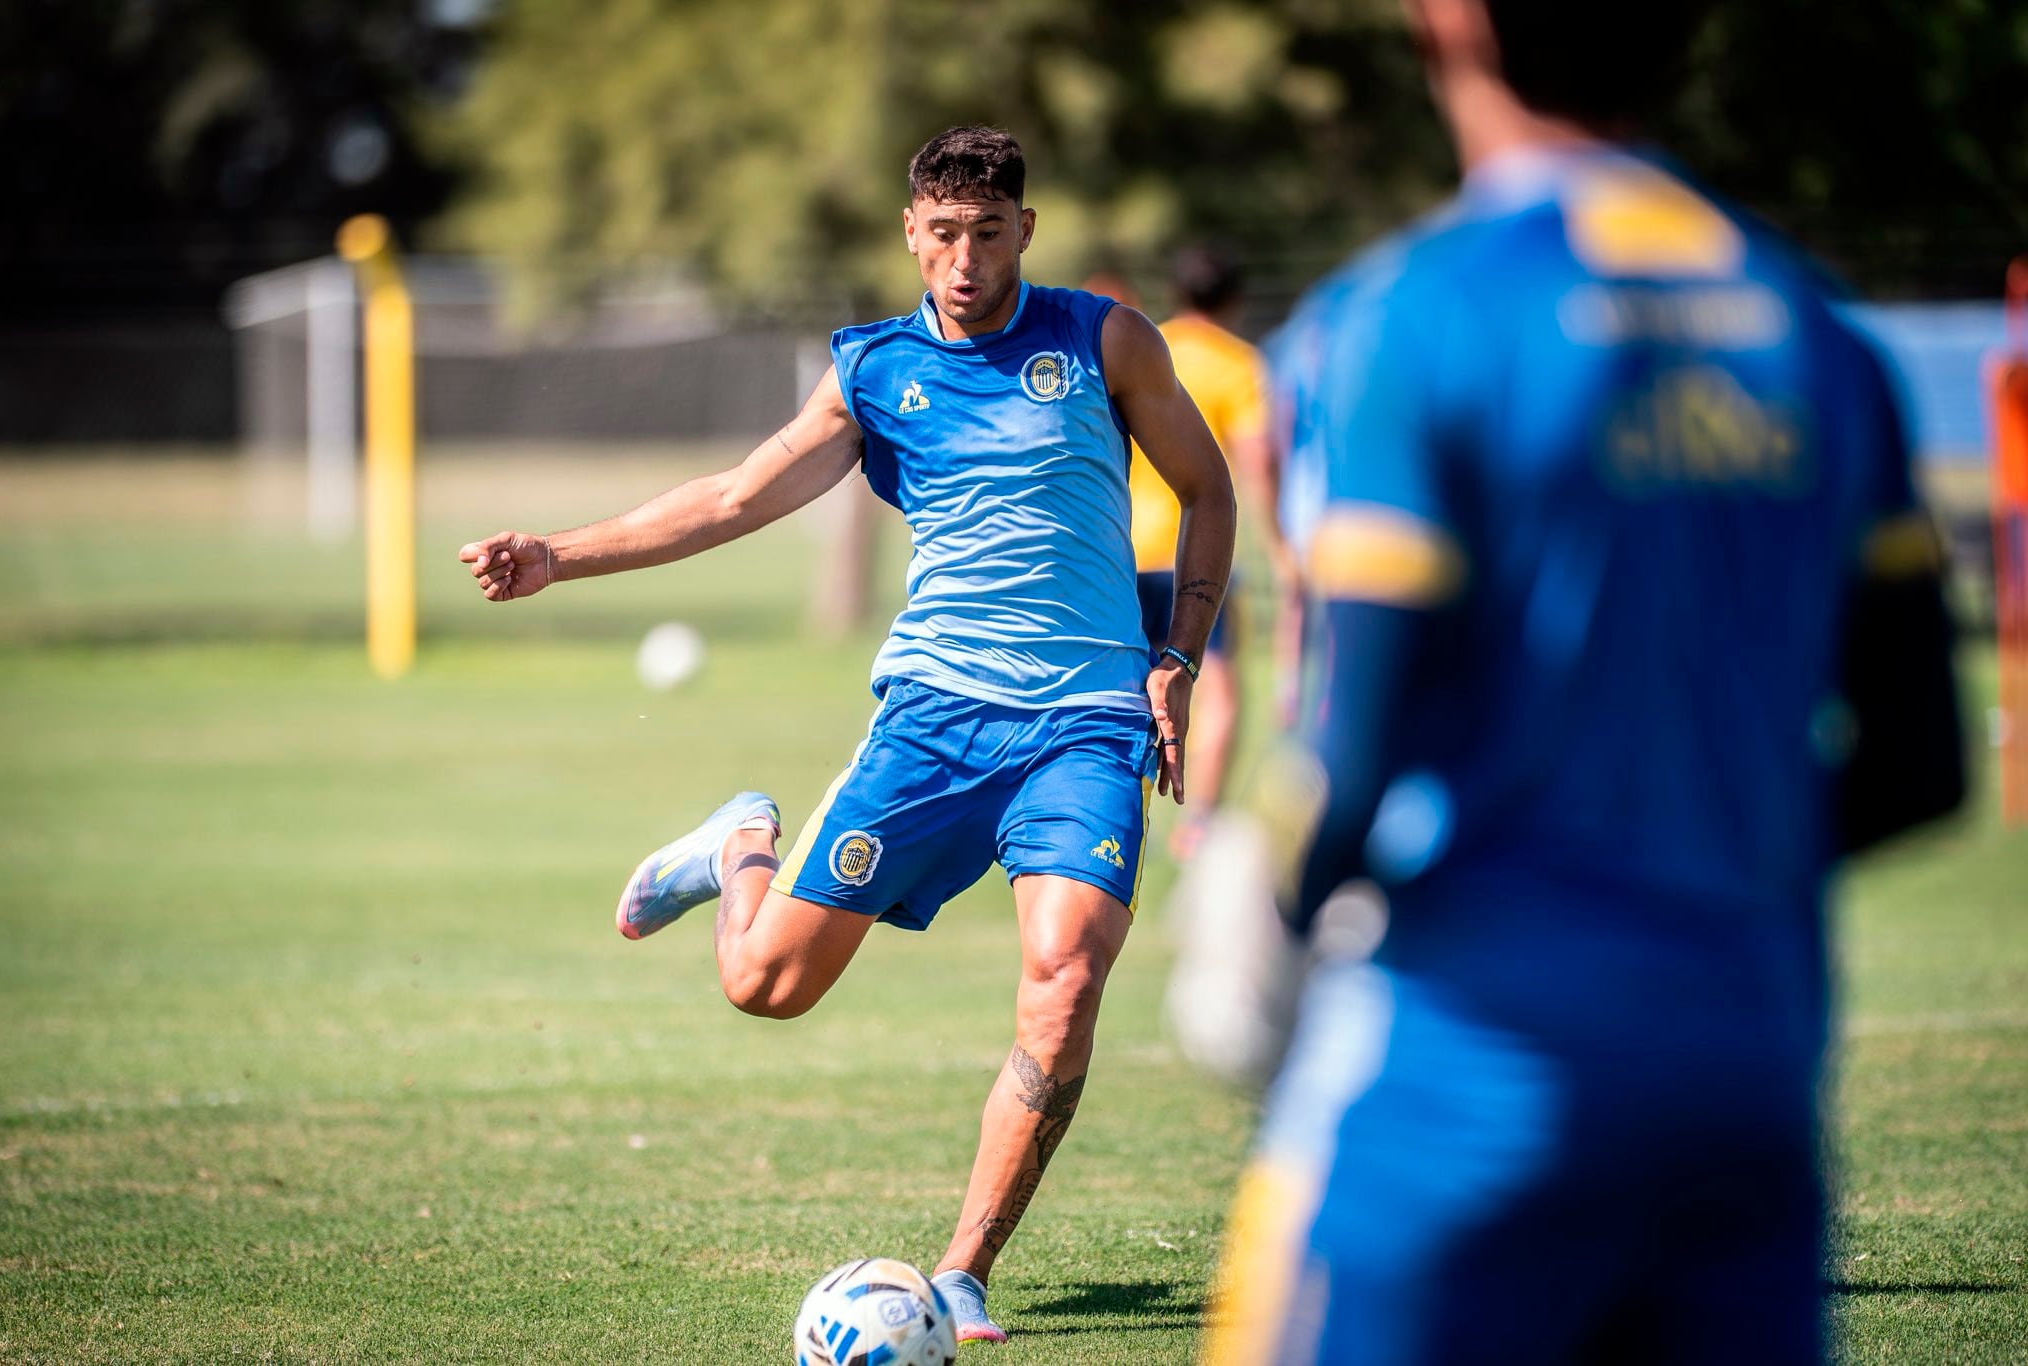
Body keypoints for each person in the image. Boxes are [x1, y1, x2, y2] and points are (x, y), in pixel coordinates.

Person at [1189, 0, 1965, 1361]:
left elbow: (1354, 744)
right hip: (1749, 1072)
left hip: (1467, 1079)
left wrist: (1269, 897)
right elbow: (1922, 760)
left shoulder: (1407, 314)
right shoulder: (1814, 330)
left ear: (1452, 26)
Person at [460, 126, 1236, 1345]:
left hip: (1083, 724)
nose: (966, 260)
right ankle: (739, 845)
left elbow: (1208, 490)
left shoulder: (1102, 340)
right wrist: (557, 555)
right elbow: (730, 497)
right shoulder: (875, 370)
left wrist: (1177, 657)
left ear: (1023, 232)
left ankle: (965, 1270)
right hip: (932, 721)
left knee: (1066, 974)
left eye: (988, 234)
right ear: (911, 236)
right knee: (762, 986)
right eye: (942, 235)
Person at [1124, 248, 1295, 858]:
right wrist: (1281, 545)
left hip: (1123, 550)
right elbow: (1255, 467)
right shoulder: (1242, 364)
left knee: (1125, 689)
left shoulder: (1144, 348)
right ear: (1235, 301)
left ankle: (1112, 816)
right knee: (1216, 690)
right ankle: (1197, 829)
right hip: (1192, 555)